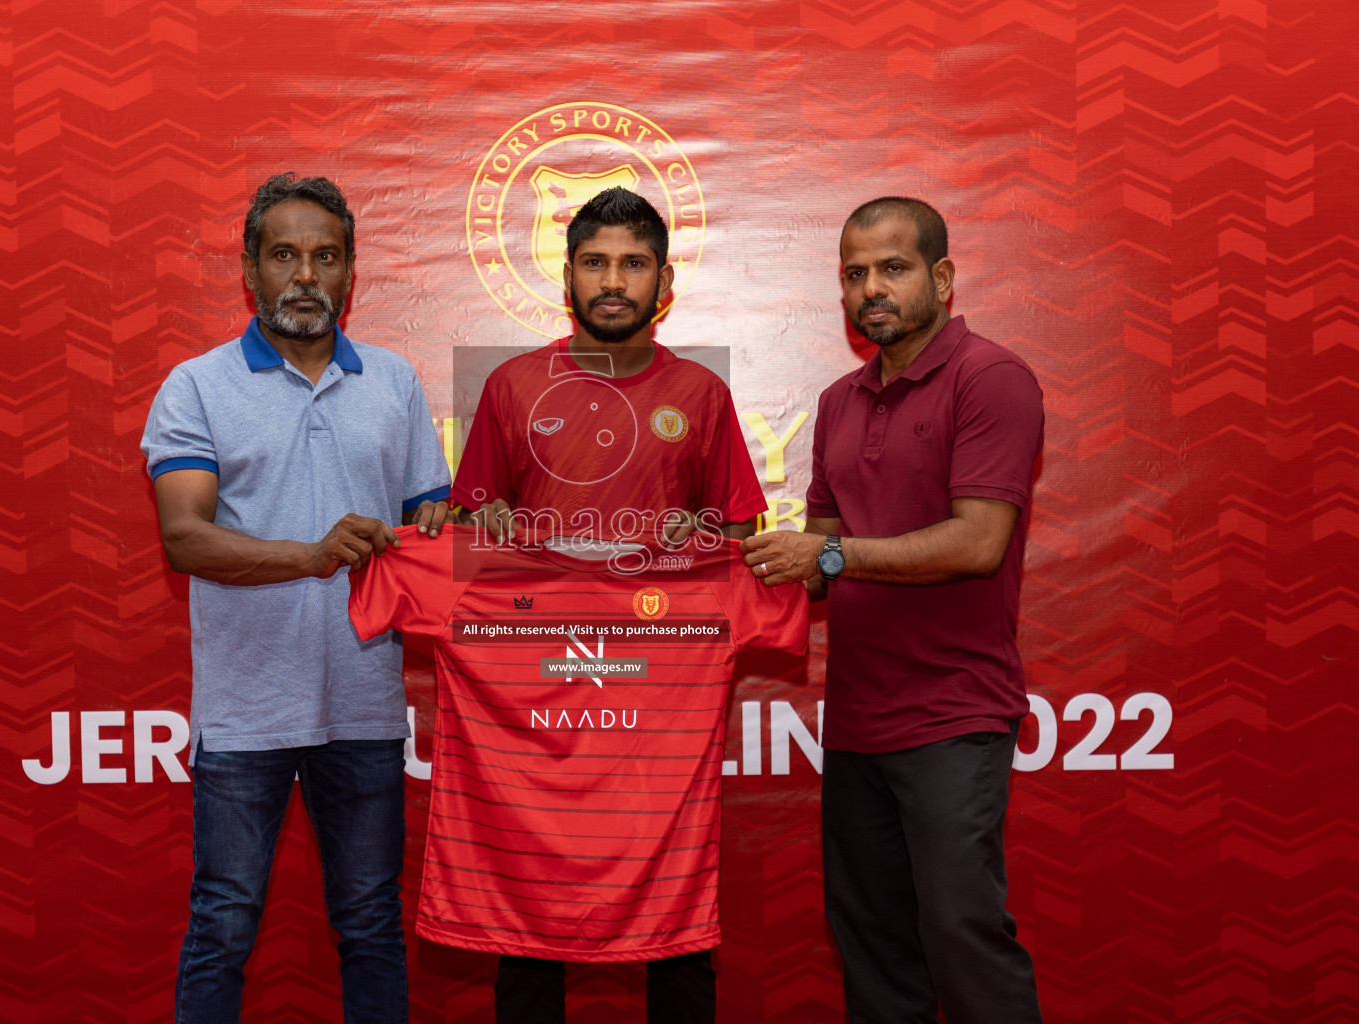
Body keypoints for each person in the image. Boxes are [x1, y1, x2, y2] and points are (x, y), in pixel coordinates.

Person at [442, 187, 767, 1024]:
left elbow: (741, 542)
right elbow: (468, 536)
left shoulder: (699, 392)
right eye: (596, 262)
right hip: (537, 695)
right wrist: (488, 524)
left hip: (661, 700)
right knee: (531, 901)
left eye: (632, 263)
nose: (612, 280)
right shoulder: (513, 386)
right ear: (568, 276)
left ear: (663, 282)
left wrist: (705, 534)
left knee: (675, 903)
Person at [140, 172, 452, 1024]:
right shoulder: (196, 387)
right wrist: (314, 556)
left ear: (351, 274)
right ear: (250, 268)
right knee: (223, 926)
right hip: (246, 713)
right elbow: (185, 537)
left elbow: (429, 514)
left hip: (365, 707)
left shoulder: (393, 382)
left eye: (325, 257)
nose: (305, 276)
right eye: (285, 255)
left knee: (371, 926)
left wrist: (438, 520)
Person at [741, 196, 1046, 1023]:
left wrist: (828, 556)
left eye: (893, 268)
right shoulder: (839, 402)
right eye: (855, 273)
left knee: (963, 937)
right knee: (874, 951)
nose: (872, 287)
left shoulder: (993, 378)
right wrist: (715, 557)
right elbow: (815, 563)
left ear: (941, 277)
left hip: (953, 713)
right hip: (857, 722)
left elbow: (978, 542)